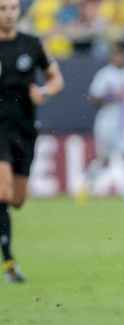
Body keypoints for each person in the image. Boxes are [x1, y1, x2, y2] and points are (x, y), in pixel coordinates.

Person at [0, 0, 64, 283]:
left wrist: (44, 91)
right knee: (2, 193)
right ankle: (9, 262)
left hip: (24, 130)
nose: (9, 14)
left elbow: (55, 79)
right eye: (3, 8)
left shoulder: (32, 43)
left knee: (16, 200)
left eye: (13, 8)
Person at [75, 45, 124, 214]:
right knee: (104, 160)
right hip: (107, 122)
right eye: (117, 55)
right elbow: (93, 99)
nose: (120, 58)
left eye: (122, 55)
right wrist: (112, 97)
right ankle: (86, 183)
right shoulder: (105, 75)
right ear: (112, 57)